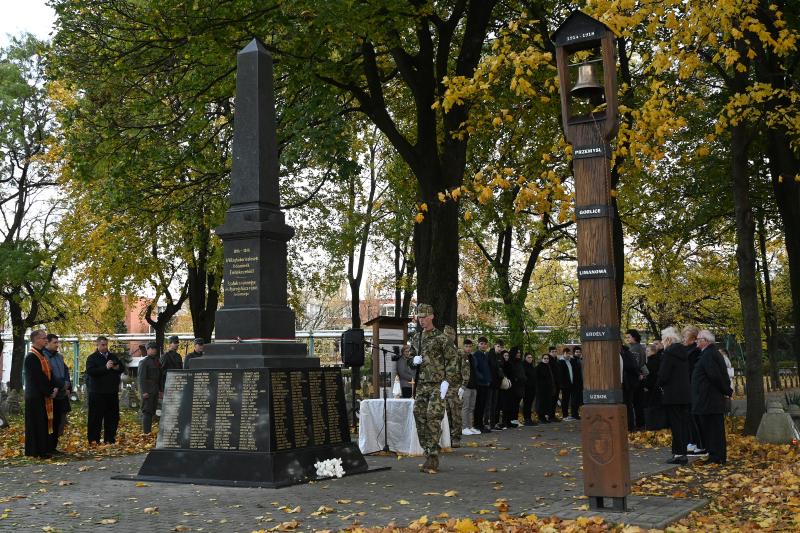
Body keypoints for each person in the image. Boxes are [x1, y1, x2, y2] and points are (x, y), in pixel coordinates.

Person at [406, 303, 457, 473]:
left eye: (424, 316)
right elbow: (410, 358)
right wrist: (413, 361)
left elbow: (452, 360)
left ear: (432, 317)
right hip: (421, 384)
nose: (422, 320)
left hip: (437, 385)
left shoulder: (442, 339)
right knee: (419, 415)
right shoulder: (416, 338)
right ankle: (428, 450)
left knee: (433, 417)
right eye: (419, 317)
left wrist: (447, 381)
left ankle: (433, 455)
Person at [692, 330, 733, 464]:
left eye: (698, 339)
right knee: (712, 428)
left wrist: (727, 390)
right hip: (708, 398)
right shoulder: (709, 353)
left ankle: (717, 456)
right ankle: (715, 455)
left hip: (709, 399)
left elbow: (715, 376)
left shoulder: (709, 354)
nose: (696, 341)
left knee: (713, 429)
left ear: (705, 341)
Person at [657, 327, 691, 464]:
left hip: (672, 394)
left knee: (676, 425)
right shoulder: (683, 352)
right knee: (683, 424)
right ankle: (682, 452)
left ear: (668, 339)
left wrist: (659, 383)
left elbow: (663, 375)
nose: (662, 342)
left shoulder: (669, 353)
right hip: (684, 394)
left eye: (663, 339)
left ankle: (678, 454)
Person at [24, 330, 57, 458]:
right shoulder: (32, 357)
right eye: (44, 338)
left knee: (43, 423)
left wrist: (54, 387)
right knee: (36, 424)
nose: (46, 340)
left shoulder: (42, 355)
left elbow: (49, 373)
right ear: (36, 340)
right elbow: (38, 378)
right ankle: (36, 451)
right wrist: (49, 391)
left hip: (42, 395)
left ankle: (44, 449)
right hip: (35, 396)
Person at [85, 336, 124, 444]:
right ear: (97, 345)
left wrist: (117, 368)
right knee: (95, 417)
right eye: (102, 345)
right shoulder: (92, 358)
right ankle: (93, 440)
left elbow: (122, 367)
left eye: (106, 344)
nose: (105, 347)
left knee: (112, 417)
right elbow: (91, 371)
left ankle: (109, 439)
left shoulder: (113, 356)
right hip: (97, 393)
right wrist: (105, 368)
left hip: (111, 392)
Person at [43, 334, 71, 453]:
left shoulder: (59, 356)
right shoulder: (43, 357)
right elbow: (47, 375)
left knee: (59, 421)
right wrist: (55, 386)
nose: (57, 345)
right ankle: (47, 447)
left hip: (61, 394)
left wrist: (68, 385)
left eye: (57, 342)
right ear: (47, 343)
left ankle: (54, 447)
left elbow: (65, 371)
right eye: (54, 342)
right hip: (51, 394)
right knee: (49, 421)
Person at [682, 325, 705, 455]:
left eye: (685, 336)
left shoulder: (693, 352)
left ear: (692, 338)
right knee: (690, 417)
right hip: (688, 387)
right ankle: (693, 441)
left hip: (692, 388)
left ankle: (698, 443)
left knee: (694, 416)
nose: (683, 339)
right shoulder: (688, 351)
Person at [442, 325, 466, 447]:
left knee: (456, 414)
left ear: (452, 337)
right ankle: (446, 437)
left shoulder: (459, 353)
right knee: (446, 414)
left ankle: (456, 437)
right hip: (443, 387)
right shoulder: (441, 352)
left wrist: (463, 385)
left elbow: (465, 370)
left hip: (456, 387)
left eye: (448, 336)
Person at [626, 329, 649, 430]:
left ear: (634, 337)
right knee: (639, 402)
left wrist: (638, 374)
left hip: (636, 378)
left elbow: (635, 364)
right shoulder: (641, 347)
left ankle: (638, 424)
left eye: (629, 337)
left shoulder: (633, 349)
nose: (627, 339)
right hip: (642, 376)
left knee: (635, 402)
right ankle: (641, 424)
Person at [138, 342, 162, 434]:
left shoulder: (156, 361)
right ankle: (146, 432)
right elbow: (141, 378)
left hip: (155, 390)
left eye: (155, 348)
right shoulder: (144, 362)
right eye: (151, 348)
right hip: (148, 390)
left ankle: (149, 431)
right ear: (147, 350)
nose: (153, 350)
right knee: (147, 411)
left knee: (152, 411)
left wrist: (160, 390)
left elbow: (159, 377)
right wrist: (144, 392)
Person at [460, 339, 480, 435]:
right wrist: (461, 385)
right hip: (466, 386)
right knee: (465, 407)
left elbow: (474, 371)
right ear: (463, 346)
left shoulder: (472, 357)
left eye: (470, 346)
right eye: (466, 346)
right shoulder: (461, 356)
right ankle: (464, 427)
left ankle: (470, 426)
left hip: (473, 385)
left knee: (472, 407)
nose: (468, 348)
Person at [472, 337, 491, 433]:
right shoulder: (476, 355)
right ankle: (477, 424)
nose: (483, 345)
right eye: (481, 344)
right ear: (478, 344)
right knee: (479, 405)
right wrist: (482, 378)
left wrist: (488, 379)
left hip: (486, 383)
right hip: (480, 384)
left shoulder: (485, 355)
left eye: (485, 344)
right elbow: (475, 370)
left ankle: (481, 424)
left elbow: (487, 369)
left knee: (483, 405)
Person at [486, 340, 506, 430]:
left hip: (497, 383)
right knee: (489, 404)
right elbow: (491, 367)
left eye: (501, 347)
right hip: (490, 383)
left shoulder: (500, 356)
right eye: (498, 346)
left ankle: (493, 423)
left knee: (494, 404)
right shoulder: (489, 354)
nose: (499, 349)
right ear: (494, 346)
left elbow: (501, 365)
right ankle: (487, 422)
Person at [621, 345, 640, 431]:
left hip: (627, 384)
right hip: (628, 384)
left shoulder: (626, 354)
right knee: (628, 404)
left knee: (627, 405)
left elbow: (631, 367)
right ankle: (629, 426)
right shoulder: (627, 353)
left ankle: (630, 426)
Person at [535, 354, 556, 422]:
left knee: (547, 403)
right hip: (541, 389)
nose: (546, 360)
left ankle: (544, 417)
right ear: (542, 359)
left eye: (547, 358)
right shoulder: (539, 367)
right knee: (542, 404)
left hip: (548, 389)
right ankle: (541, 418)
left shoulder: (548, 366)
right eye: (545, 358)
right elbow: (537, 379)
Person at [558, 348, 577, 421]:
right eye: (567, 353)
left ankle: (569, 415)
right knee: (565, 400)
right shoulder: (561, 362)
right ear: (564, 353)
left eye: (569, 353)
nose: (568, 355)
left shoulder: (570, 361)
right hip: (565, 385)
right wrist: (562, 384)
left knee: (570, 399)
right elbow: (561, 374)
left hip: (571, 384)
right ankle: (565, 416)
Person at [522, 353, 538, 425]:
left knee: (530, 404)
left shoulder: (532, 366)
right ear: (525, 358)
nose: (530, 359)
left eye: (531, 357)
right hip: (526, 388)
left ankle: (529, 418)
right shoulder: (523, 366)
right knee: (526, 404)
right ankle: (526, 419)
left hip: (533, 388)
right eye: (528, 357)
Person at [547, 346, 562, 421]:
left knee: (555, 400)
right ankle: (550, 416)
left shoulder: (557, 360)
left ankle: (552, 416)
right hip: (551, 384)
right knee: (551, 401)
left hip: (557, 384)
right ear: (549, 352)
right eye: (552, 351)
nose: (554, 353)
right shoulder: (548, 360)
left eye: (555, 351)